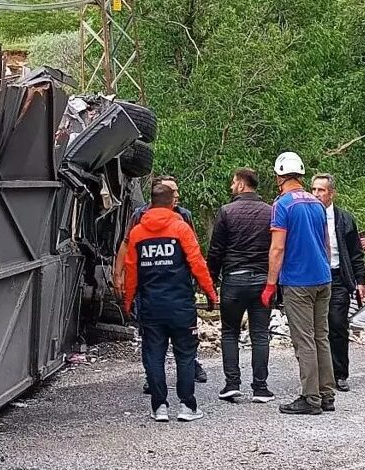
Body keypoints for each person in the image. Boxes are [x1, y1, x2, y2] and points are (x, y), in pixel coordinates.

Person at [123, 184, 218, 422]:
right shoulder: (180, 228)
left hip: (151, 306)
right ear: (171, 203)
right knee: (185, 355)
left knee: (154, 356)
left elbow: (131, 270)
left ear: (151, 203)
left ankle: (159, 407)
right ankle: (187, 406)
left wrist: (128, 301)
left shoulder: (137, 233)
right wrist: (210, 293)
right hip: (181, 305)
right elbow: (197, 263)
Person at [113, 176, 208, 391]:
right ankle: (153, 377)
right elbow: (126, 245)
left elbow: (194, 249)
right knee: (151, 336)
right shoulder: (139, 216)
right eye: (172, 191)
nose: (177, 195)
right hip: (149, 285)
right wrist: (118, 274)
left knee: (184, 333)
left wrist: (199, 279)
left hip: (179, 285)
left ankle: (191, 365)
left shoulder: (184, 215)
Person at [261, 152, 335, 415]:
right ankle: (327, 394)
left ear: (279, 176)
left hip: (298, 281)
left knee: (304, 340)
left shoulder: (282, 205)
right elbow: (326, 243)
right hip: (323, 278)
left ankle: (311, 398)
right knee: (321, 337)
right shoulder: (317, 203)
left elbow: (277, 248)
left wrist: (270, 285)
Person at [206, 168, 274, 403]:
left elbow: (216, 250)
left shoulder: (226, 211)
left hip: (234, 279)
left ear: (242, 184)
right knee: (260, 334)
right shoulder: (270, 212)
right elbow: (276, 247)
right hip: (262, 280)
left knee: (230, 332)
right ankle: (260, 388)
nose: (231, 186)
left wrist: (210, 281)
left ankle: (232, 384)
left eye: (234, 182)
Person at [310, 173, 365, 392]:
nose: (316, 194)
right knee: (314, 328)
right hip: (313, 277)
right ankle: (317, 374)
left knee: (337, 324)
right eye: (314, 189)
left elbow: (355, 252)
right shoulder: (306, 215)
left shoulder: (344, 219)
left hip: (337, 277)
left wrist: (360, 280)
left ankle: (340, 373)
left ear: (331, 193)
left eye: (321, 190)